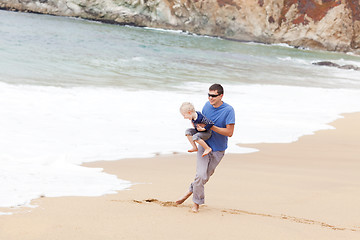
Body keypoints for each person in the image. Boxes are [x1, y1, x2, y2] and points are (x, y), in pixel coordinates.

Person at [176, 84, 235, 213]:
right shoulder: (206, 106)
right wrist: (198, 128)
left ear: (221, 96)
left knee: (205, 177)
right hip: (204, 145)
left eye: (213, 96)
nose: (210, 98)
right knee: (201, 175)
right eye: (209, 95)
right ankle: (196, 203)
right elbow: (198, 122)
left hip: (218, 148)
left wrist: (210, 127)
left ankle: (189, 192)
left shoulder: (229, 110)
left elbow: (229, 133)